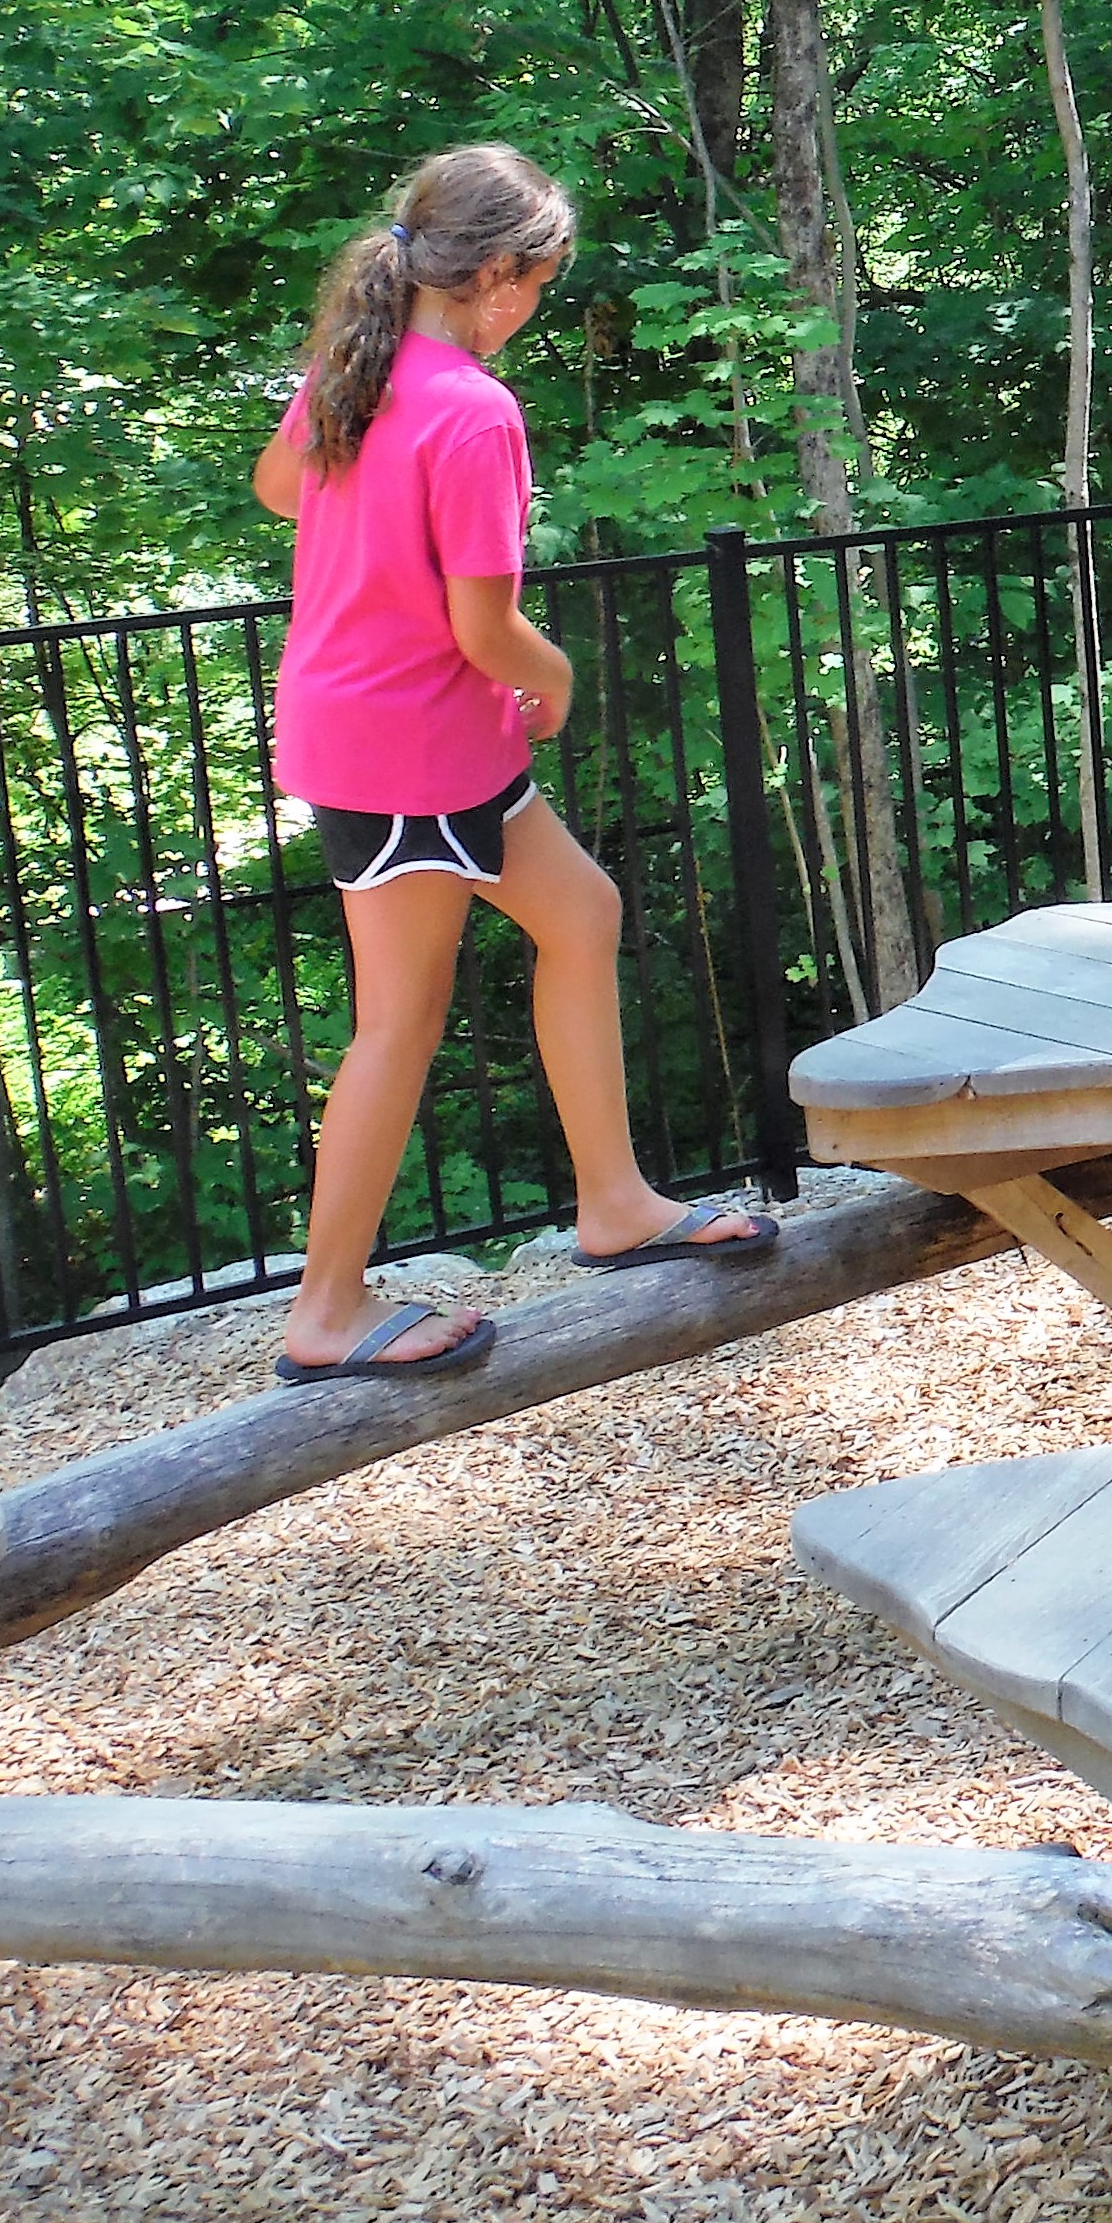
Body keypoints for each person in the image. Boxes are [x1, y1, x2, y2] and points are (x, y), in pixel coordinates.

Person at [257, 143, 773, 1386]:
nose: (537, 305)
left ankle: (616, 1203)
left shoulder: (356, 367)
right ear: (494, 274)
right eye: (539, 283)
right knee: (399, 1020)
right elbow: (484, 628)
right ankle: (325, 1311)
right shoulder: (473, 407)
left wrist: (377, 536)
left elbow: (281, 489)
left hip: (411, 735)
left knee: (580, 913)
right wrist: (558, 675)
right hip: (411, 750)